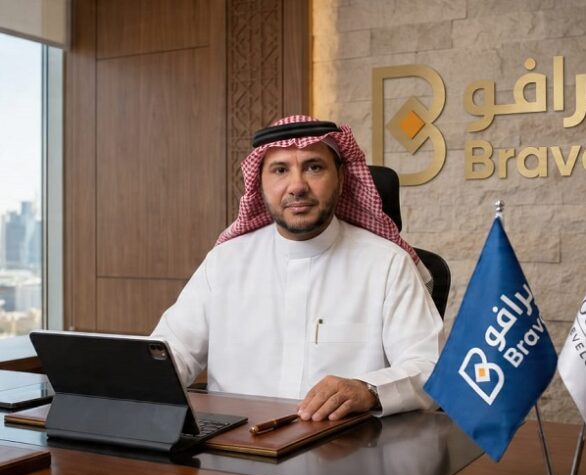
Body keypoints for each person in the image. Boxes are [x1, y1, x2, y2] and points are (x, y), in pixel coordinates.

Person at [152, 115, 443, 422]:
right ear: (260, 182)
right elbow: (169, 354)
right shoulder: (224, 262)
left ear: (341, 178)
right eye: (280, 170)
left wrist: (368, 389)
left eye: (314, 167)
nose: (297, 186)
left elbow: (430, 368)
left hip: (344, 444)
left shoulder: (387, 264)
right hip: (235, 442)